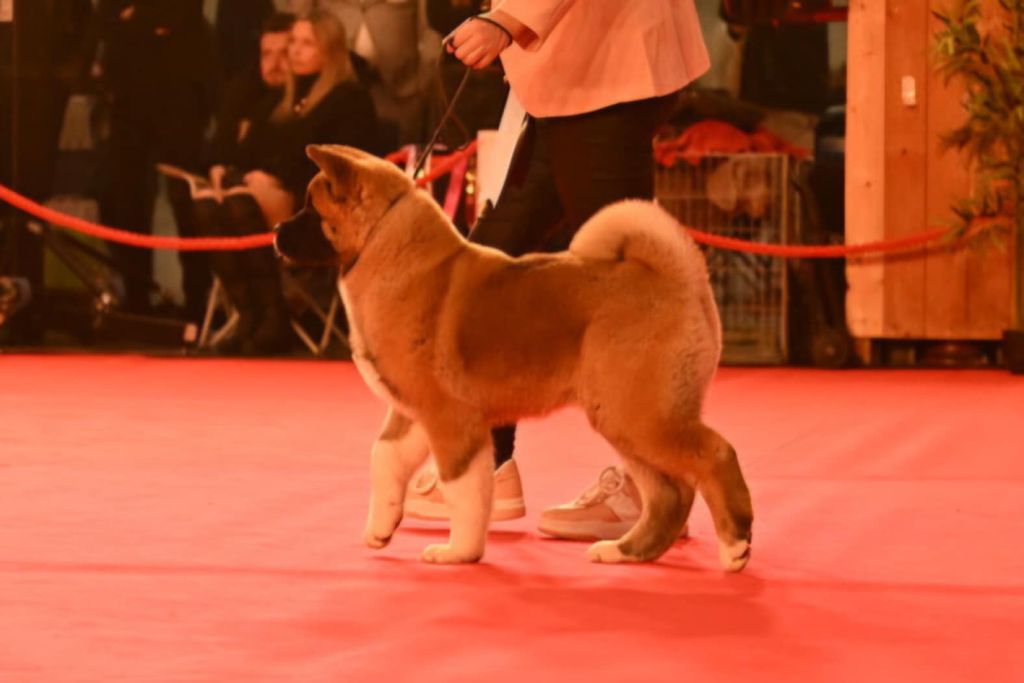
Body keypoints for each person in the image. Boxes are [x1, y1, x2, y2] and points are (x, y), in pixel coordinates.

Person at [404, 0, 712, 541]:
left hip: (602, 67)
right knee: (491, 272)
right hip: (571, 70)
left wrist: (507, 20)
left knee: (623, 291)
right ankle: (485, 467)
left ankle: (655, 482)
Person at [189, 9, 378, 355]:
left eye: (306, 43)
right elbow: (247, 152)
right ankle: (251, 312)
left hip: (318, 207)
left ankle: (273, 314)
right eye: (293, 42)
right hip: (266, 200)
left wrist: (281, 184)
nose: (295, 51)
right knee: (208, 204)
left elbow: (347, 168)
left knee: (239, 202)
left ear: (330, 49)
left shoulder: (350, 100)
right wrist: (229, 172)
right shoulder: (280, 102)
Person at [96, 0, 218, 319]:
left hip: (181, 90)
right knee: (124, 197)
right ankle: (137, 295)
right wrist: (144, 23)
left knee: (186, 195)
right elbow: (107, 18)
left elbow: (180, 13)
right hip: (128, 95)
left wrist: (136, 18)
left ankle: (197, 300)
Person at [0, 0, 96, 343]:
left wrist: (66, 74)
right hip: (12, 82)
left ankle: (25, 306)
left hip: (39, 87)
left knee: (28, 202)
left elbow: (83, 21)